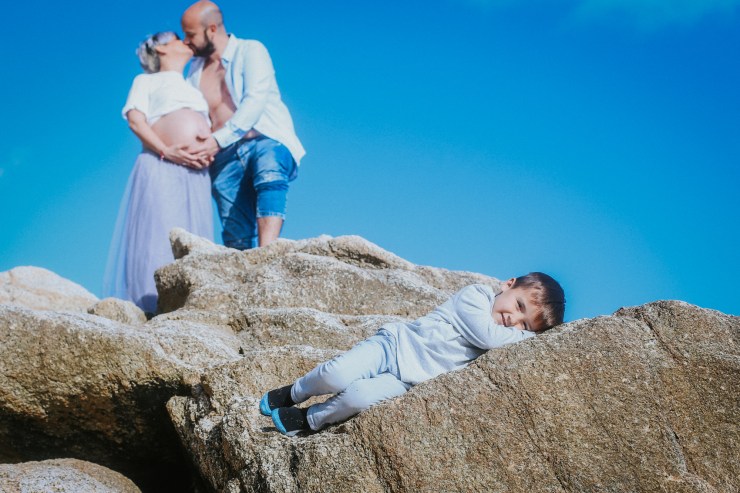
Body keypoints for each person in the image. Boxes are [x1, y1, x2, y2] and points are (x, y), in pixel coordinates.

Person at [259, 272, 566, 436]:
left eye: (525, 325)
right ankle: (294, 392)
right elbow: (487, 335)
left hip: (408, 381)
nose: (513, 320)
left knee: (358, 398)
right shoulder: (476, 296)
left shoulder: (499, 340)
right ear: (508, 284)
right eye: (519, 306)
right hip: (392, 346)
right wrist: (526, 335)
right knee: (336, 374)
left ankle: (309, 419)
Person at [103, 31, 214, 315]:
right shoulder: (146, 81)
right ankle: (153, 306)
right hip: (161, 164)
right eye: (177, 38)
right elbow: (136, 121)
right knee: (158, 233)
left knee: (193, 237)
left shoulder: (193, 87)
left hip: (195, 174)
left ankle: (188, 306)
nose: (185, 42)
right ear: (161, 49)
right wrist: (166, 150)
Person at [181, 1, 305, 250]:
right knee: (234, 231)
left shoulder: (250, 50)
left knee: (268, 170)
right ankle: (243, 267)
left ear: (212, 29)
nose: (186, 41)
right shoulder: (194, 72)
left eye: (191, 34)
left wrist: (217, 139)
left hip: (263, 139)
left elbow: (255, 100)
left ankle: (268, 252)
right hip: (223, 155)